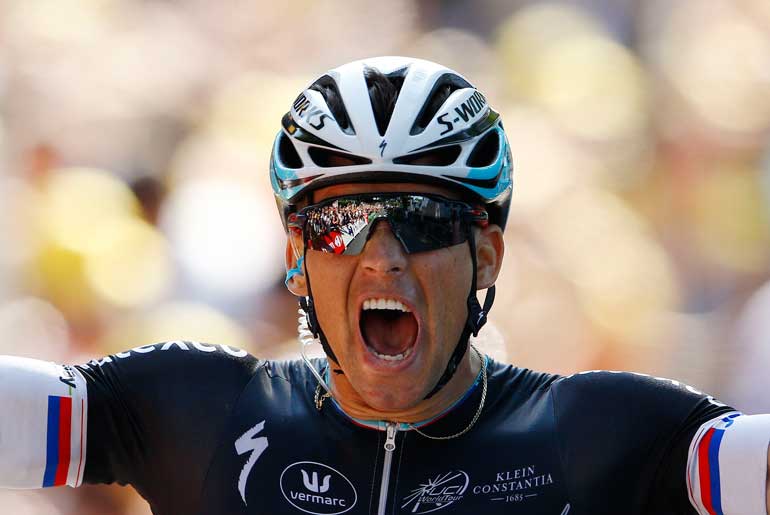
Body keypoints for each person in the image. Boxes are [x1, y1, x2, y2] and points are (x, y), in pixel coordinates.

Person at [0, 56, 768, 515]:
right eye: (344, 224)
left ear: (488, 258)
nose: (383, 259)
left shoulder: (602, 430)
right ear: (297, 255)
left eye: (425, 221)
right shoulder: (194, 409)